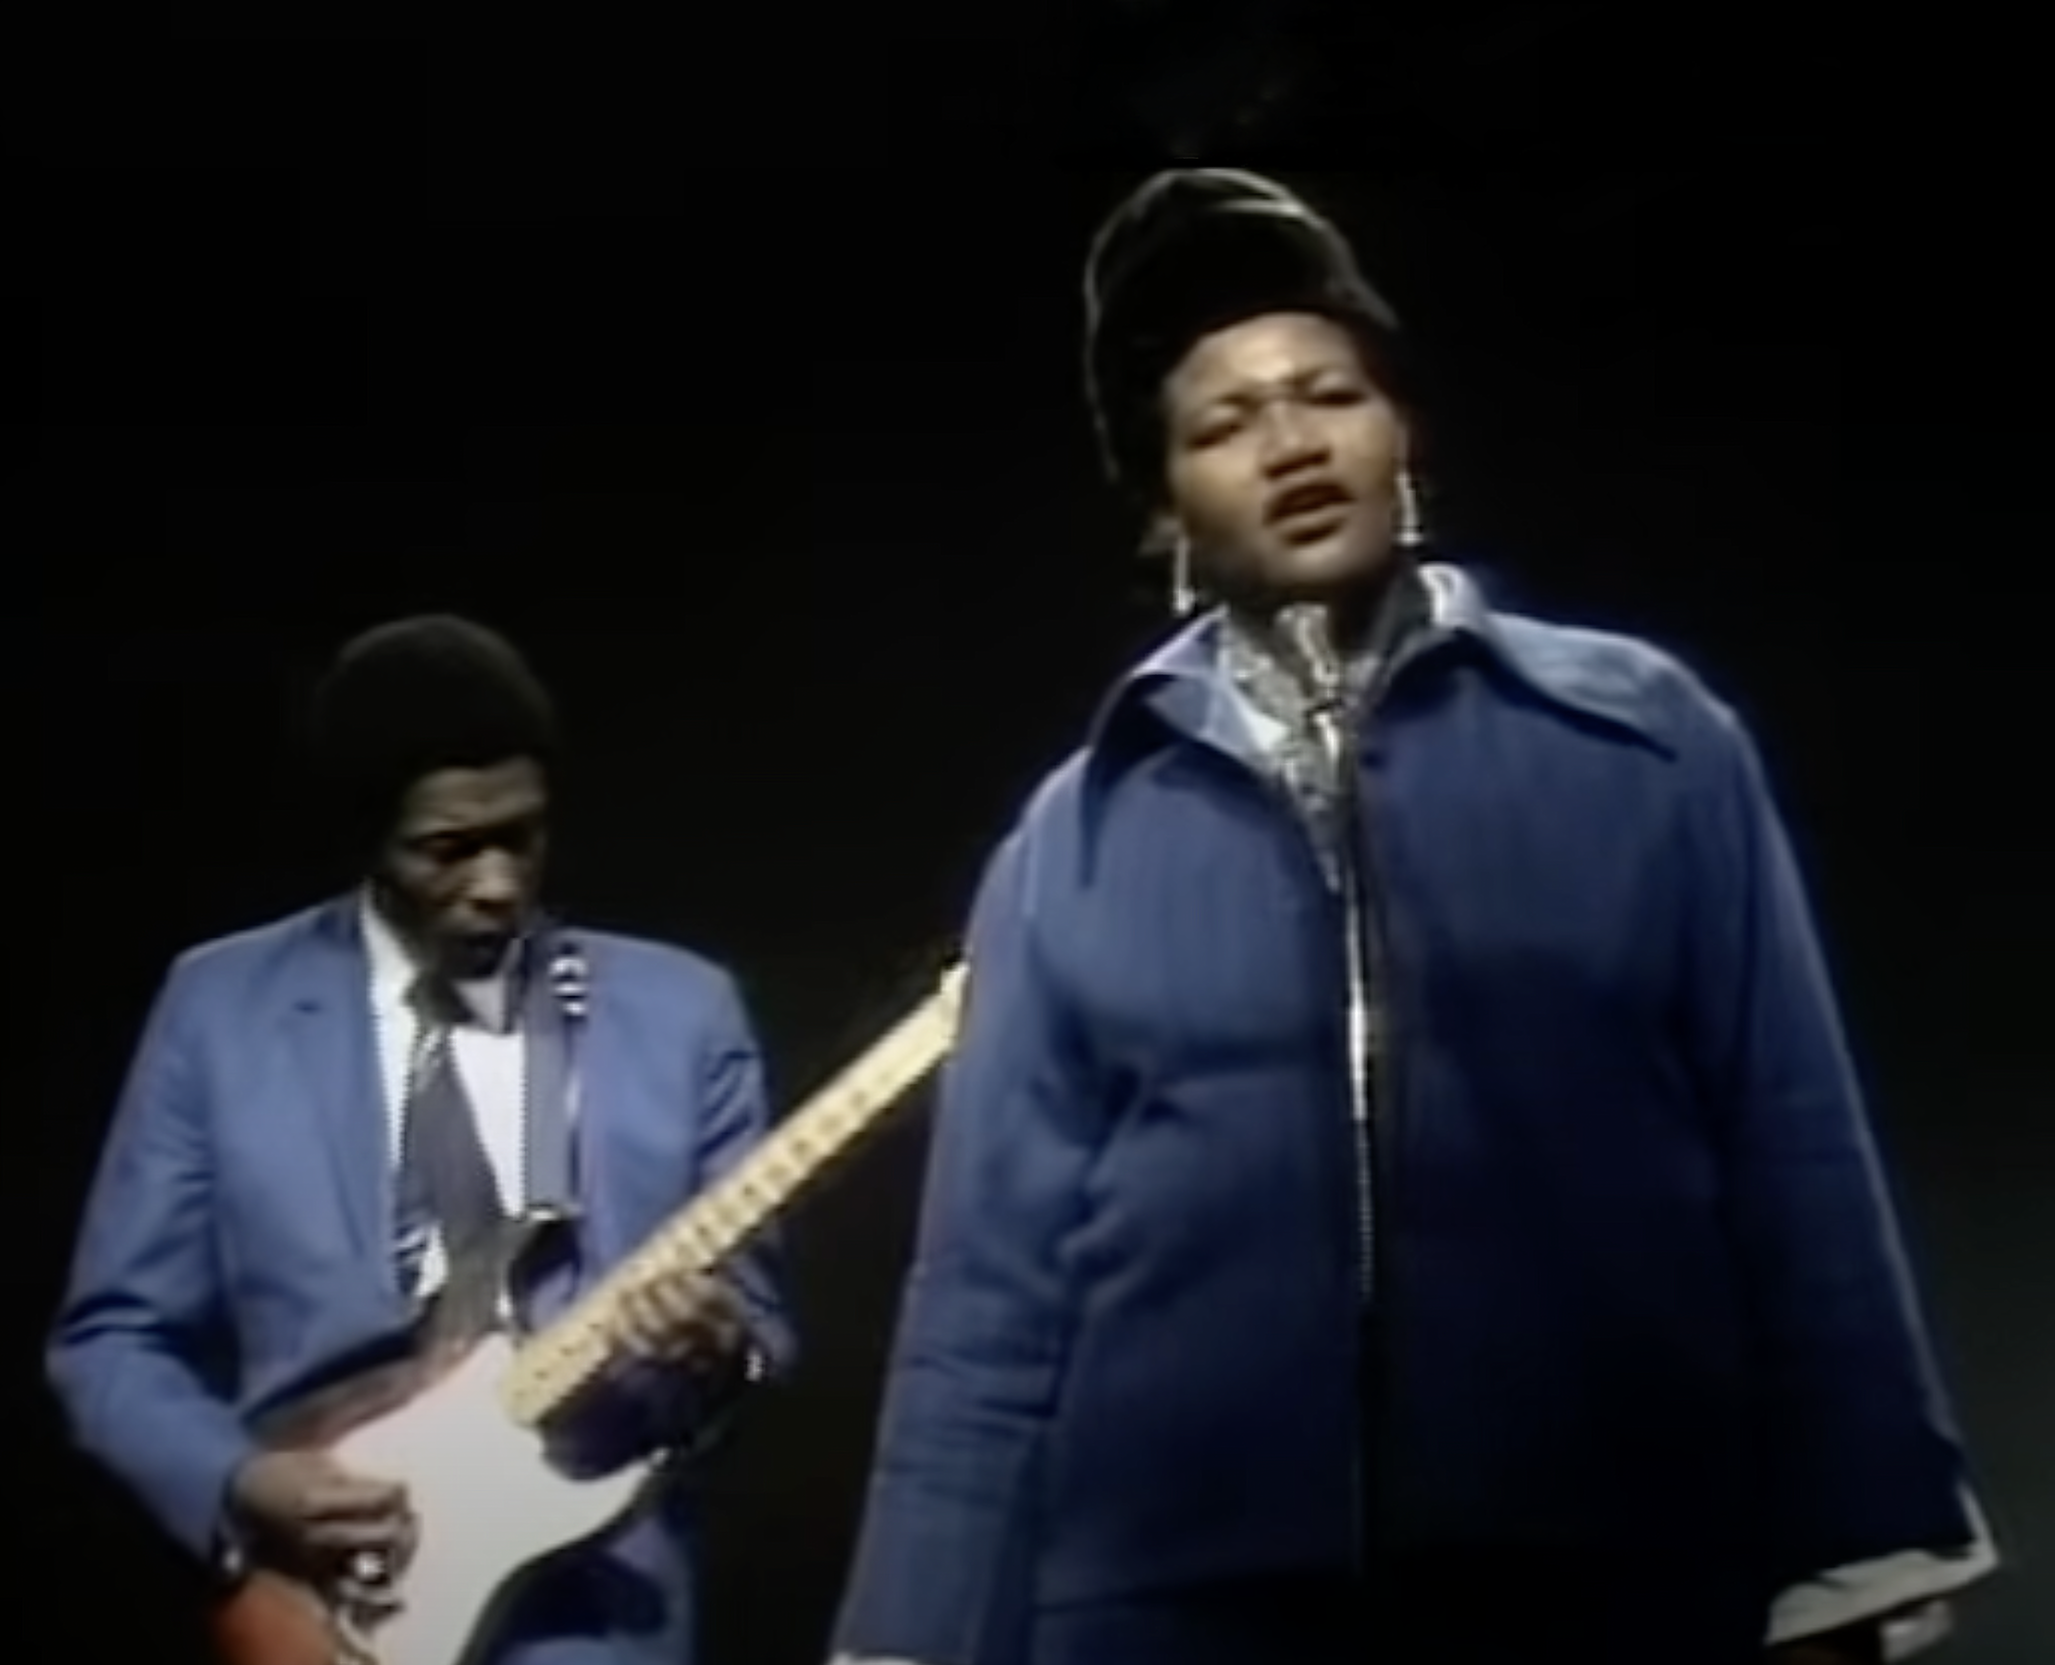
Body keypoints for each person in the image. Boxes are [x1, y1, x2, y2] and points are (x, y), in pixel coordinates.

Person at [831, 170, 1995, 1665]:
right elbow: (985, 1295)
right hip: (1177, 1607)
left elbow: (1790, 1145)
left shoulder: (1644, 742)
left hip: (1605, 1570)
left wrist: (1854, 1554)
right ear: (1163, 504)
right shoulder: (1072, 842)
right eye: (1223, 423)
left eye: (1330, 394)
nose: (1291, 444)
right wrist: (915, 1632)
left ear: (1402, 434)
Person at [48, 615, 792, 1665]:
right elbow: (114, 1340)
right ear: (366, 839)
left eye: (522, 836)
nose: (497, 883)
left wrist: (721, 1349)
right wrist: (239, 1482)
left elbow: (761, 1326)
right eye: (447, 849)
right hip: (323, 1606)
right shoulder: (219, 1008)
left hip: (595, 1613)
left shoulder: (684, 1013)